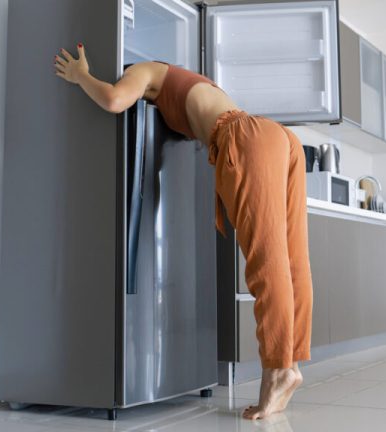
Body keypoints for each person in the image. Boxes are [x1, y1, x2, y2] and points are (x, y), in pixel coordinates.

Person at [54, 44, 314, 420]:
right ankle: (290, 362)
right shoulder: (190, 81)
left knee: (266, 259)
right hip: (280, 138)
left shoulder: (143, 71)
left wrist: (81, 76)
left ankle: (277, 370)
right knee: (292, 260)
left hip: (247, 139)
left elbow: (113, 100)